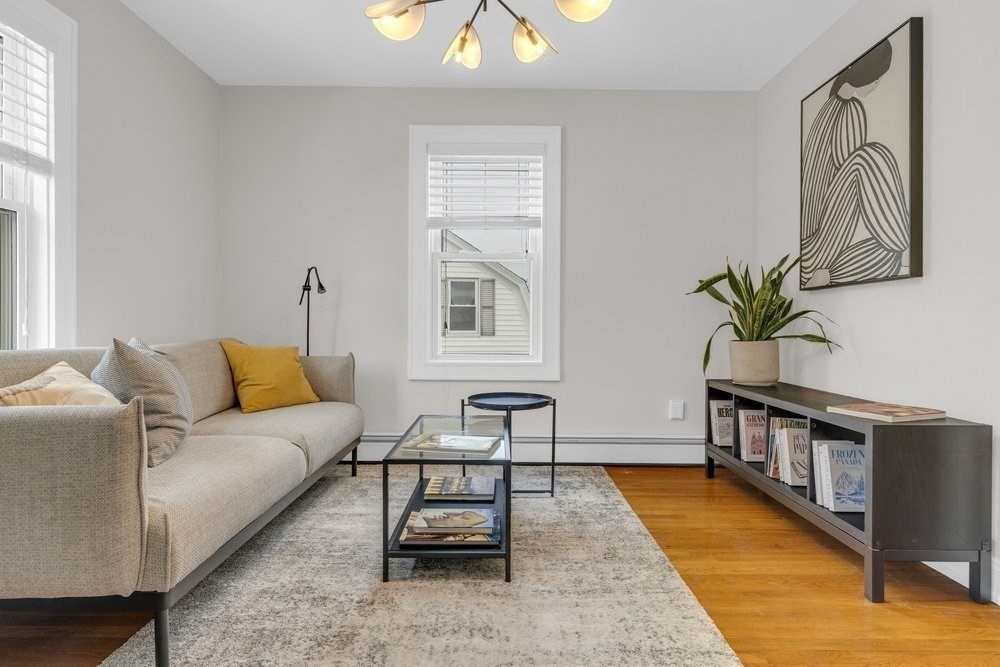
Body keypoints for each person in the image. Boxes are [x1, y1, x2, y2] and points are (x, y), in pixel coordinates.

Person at [800, 39, 910, 288]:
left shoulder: (831, 107)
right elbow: (849, 166)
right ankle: (905, 242)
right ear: (867, 75)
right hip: (818, 246)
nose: (876, 85)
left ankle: (825, 277)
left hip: (818, 251)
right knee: (868, 157)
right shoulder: (848, 109)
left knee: (888, 258)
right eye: (877, 79)